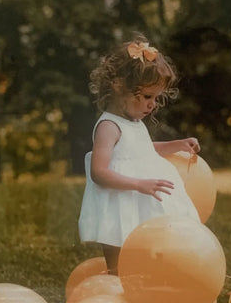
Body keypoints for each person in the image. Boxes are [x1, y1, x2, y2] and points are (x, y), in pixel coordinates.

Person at [78, 35, 201, 274]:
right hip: (119, 201)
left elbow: (143, 151)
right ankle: (114, 283)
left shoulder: (134, 122)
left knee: (144, 258)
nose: (153, 104)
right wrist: (138, 184)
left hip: (139, 199)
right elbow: (98, 172)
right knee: (118, 261)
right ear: (119, 86)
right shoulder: (108, 126)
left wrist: (177, 145)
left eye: (155, 98)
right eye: (146, 97)